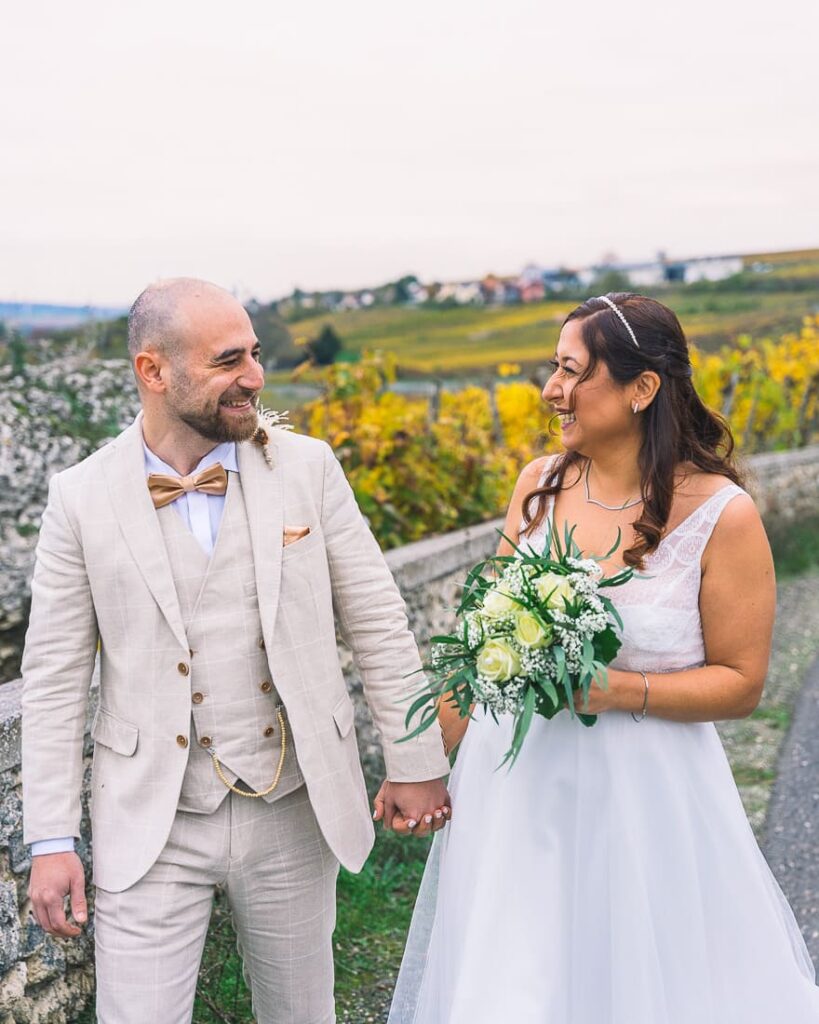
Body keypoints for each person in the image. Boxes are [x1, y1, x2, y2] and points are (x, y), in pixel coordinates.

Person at [21, 278, 451, 1024]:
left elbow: (377, 620)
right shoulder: (80, 498)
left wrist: (415, 761)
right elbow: (54, 680)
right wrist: (52, 838)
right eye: (227, 360)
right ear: (153, 371)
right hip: (150, 819)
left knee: (300, 1014)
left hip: (292, 805)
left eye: (253, 354)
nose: (253, 375)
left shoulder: (309, 469)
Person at [386, 293, 819, 1023]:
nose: (550, 390)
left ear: (640, 388)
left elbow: (742, 684)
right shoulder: (538, 484)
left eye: (569, 370)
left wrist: (616, 690)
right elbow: (481, 646)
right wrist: (420, 768)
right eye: (551, 368)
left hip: (647, 803)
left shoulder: (721, 514)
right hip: (515, 797)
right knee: (514, 987)